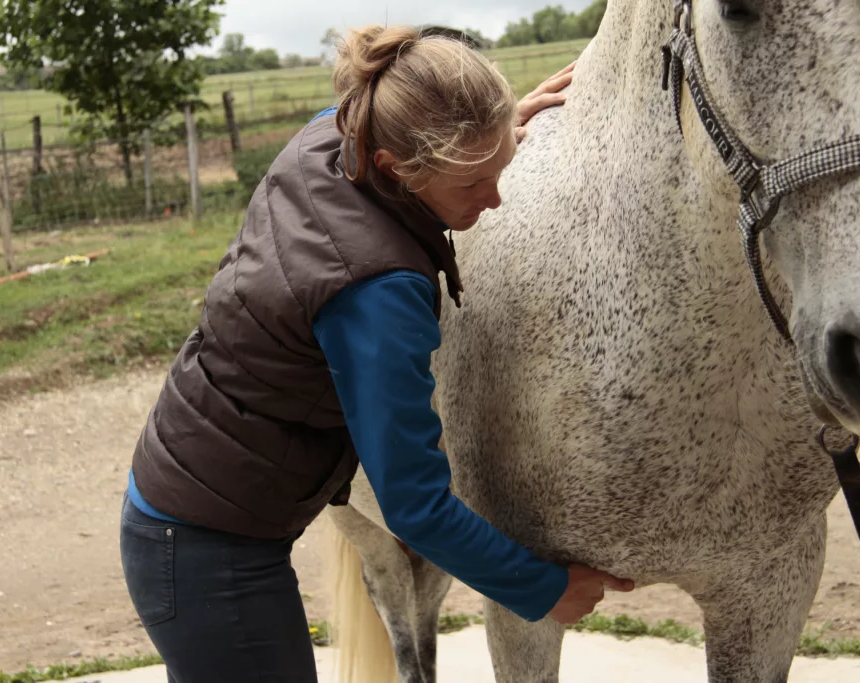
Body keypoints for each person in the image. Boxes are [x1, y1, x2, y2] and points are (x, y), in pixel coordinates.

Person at [120, 24, 634, 682]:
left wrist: (487, 141)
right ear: (398, 168)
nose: (495, 197)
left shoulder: (334, 134)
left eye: (499, 169)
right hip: (208, 553)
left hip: (178, 505)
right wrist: (542, 588)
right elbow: (413, 505)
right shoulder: (378, 290)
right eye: (473, 183)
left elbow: (405, 129)